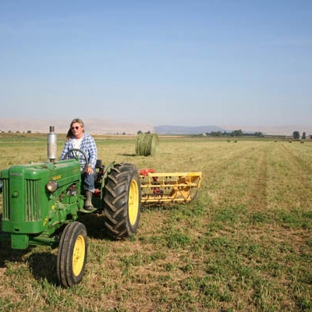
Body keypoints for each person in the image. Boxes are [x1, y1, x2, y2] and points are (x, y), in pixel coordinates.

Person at [60, 118, 97, 210]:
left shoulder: (88, 139)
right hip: (73, 168)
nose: (74, 130)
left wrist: (90, 166)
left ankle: (88, 200)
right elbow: (64, 155)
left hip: (85, 166)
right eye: (72, 128)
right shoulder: (69, 141)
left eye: (77, 127)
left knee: (89, 174)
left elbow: (93, 154)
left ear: (82, 128)